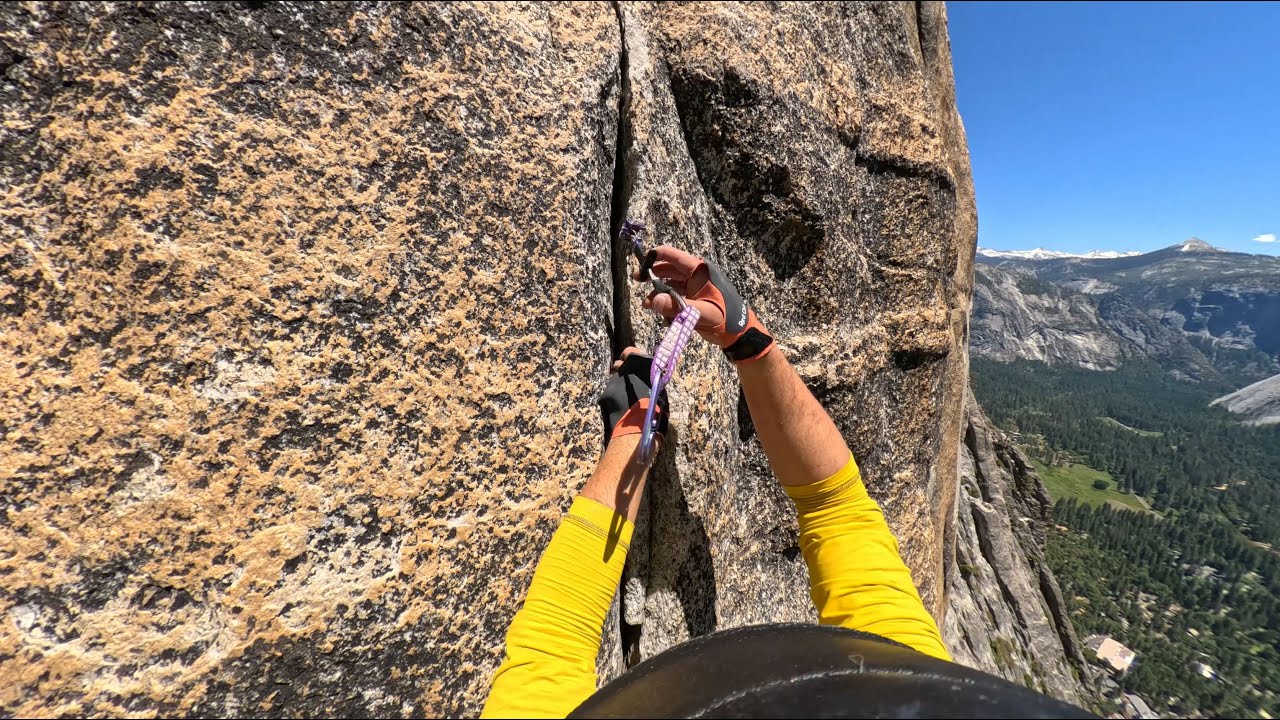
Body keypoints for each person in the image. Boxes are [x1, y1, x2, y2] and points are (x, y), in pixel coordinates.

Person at [480, 247, 1087, 719]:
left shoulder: (921, 692)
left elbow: (548, 653)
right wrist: (747, 340)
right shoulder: (920, 686)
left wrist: (634, 440)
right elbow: (839, 509)